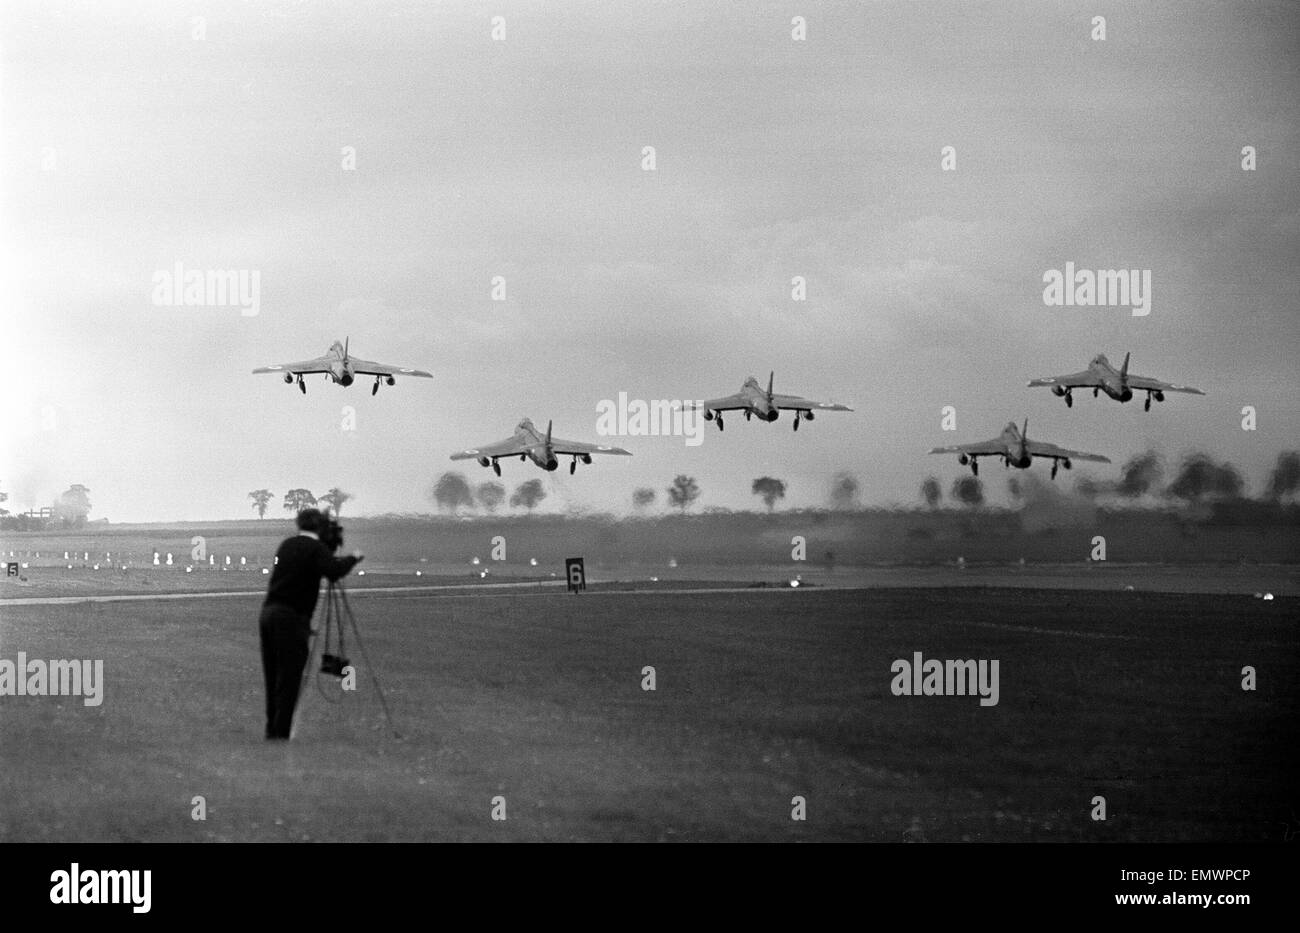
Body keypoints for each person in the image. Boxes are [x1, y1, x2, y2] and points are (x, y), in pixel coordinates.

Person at [259, 508, 362, 740]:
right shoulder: (315, 549)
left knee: (272, 674)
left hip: (268, 613)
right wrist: (354, 557)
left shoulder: (287, 545)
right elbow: (334, 571)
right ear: (319, 527)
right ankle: (281, 733)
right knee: (289, 677)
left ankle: (271, 728)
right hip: (291, 618)